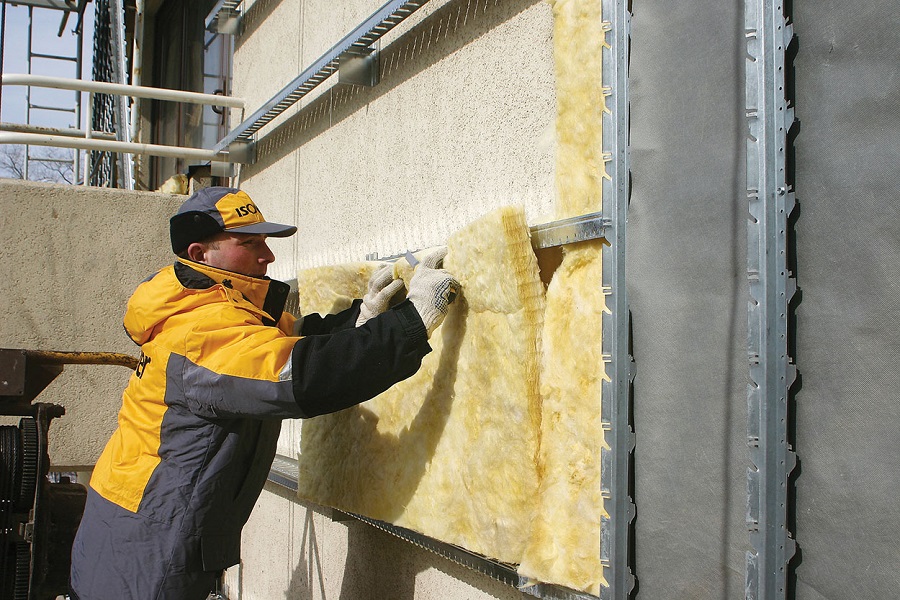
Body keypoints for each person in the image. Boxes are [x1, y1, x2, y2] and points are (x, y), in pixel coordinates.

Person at [69, 187, 459, 600]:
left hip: (136, 518)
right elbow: (301, 376)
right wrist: (415, 318)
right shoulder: (199, 332)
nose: (268, 255)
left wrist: (363, 318)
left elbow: (290, 340)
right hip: (146, 543)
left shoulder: (215, 307)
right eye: (250, 243)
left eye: (266, 241)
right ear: (201, 254)